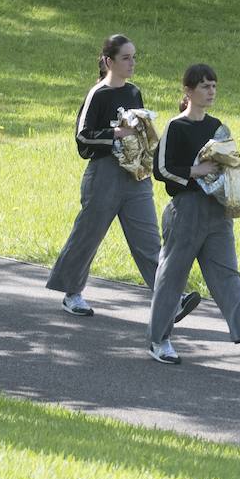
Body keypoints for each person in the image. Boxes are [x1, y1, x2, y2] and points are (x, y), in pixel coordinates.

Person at [46, 34, 200, 323]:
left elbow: (139, 130)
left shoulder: (134, 92)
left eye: (134, 57)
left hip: (135, 176)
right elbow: (82, 135)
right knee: (88, 235)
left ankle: (171, 298)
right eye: (126, 58)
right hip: (104, 176)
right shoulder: (98, 94)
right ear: (108, 61)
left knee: (149, 240)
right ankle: (71, 292)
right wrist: (116, 134)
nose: (132, 63)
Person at [148, 64, 240, 371]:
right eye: (205, 86)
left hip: (217, 213)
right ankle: (159, 340)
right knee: (172, 277)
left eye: (214, 86)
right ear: (188, 91)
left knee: (228, 278)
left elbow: (230, 163)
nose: (211, 92)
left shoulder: (218, 127)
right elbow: (161, 169)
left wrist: (234, 187)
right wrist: (196, 171)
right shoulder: (176, 127)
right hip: (186, 211)